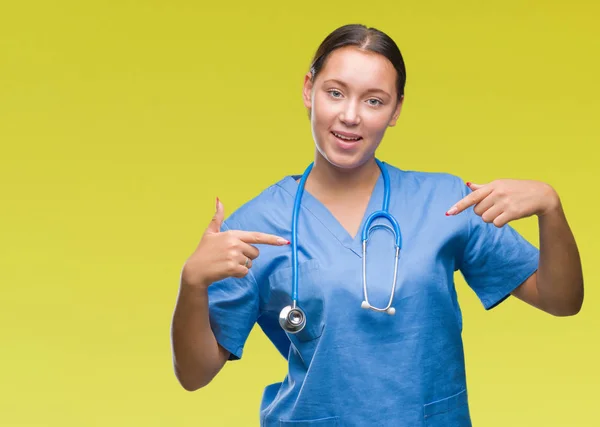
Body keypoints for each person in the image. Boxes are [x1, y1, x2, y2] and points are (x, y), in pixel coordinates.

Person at [170, 23, 584, 427]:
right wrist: (192, 283)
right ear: (307, 90)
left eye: (374, 101)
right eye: (335, 93)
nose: (350, 116)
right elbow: (195, 375)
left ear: (396, 110)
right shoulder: (258, 224)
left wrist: (551, 207)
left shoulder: (446, 202)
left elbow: (561, 300)